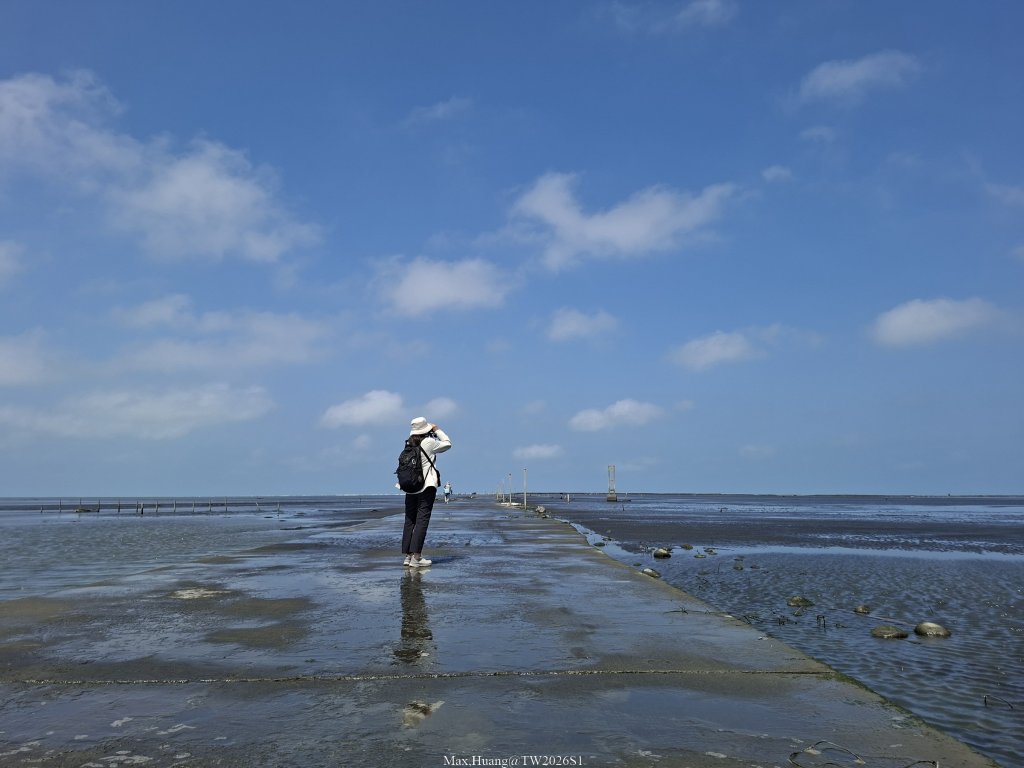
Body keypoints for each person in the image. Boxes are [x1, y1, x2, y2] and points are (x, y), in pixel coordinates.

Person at [401, 417, 451, 568]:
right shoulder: (428, 442)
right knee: (422, 520)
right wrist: (437, 430)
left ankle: (408, 557)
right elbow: (447, 443)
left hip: (410, 486)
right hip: (426, 486)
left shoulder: (409, 443)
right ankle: (416, 557)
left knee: (410, 520)